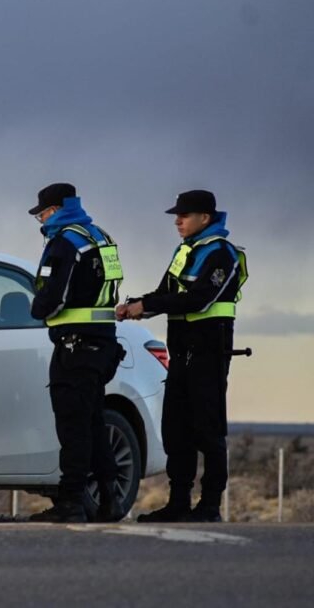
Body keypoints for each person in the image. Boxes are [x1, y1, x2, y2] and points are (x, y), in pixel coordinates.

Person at [117, 190, 247, 523]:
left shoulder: (222, 253)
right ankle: (178, 504)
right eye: (177, 216)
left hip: (208, 354)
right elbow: (166, 294)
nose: (178, 221)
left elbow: (200, 300)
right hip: (181, 355)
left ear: (205, 218)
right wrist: (138, 307)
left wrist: (148, 305)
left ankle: (210, 506)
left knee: (208, 431)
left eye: (184, 215)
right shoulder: (185, 251)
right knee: (177, 430)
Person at [29, 183, 126, 523]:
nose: (40, 218)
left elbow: (53, 294)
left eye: (41, 212)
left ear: (55, 209)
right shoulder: (102, 236)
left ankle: (70, 501)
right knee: (94, 422)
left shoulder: (65, 242)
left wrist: (37, 308)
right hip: (103, 343)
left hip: (75, 345)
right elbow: (112, 285)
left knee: (73, 426)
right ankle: (109, 498)